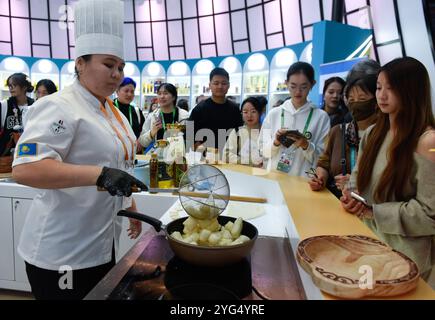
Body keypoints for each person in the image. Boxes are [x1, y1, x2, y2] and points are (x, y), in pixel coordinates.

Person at [11, 0, 147, 300]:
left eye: (121, 67)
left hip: (101, 244)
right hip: (62, 250)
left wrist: (131, 205)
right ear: (80, 64)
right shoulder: (57, 106)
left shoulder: (116, 113)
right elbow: (26, 169)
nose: (116, 74)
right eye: (108, 65)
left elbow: (117, 166)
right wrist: (100, 175)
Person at [340, 57, 435, 280]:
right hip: (365, 243)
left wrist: (374, 212)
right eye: (379, 87)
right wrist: (351, 197)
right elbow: (356, 183)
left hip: (406, 260)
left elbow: (430, 215)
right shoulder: (373, 133)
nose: (381, 96)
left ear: (412, 92)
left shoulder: (427, 142)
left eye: (391, 89)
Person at [309, 60, 380, 198]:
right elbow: (324, 163)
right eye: (351, 99)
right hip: (337, 205)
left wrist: (357, 182)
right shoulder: (338, 131)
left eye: (362, 98)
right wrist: (320, 177)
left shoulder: (385, 135)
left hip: (370, 210)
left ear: (376, 100)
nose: (355, 103)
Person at [259, 62, 330, 176]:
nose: (298, 92)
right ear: (286, 83)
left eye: (304, 87)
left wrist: (306, 145)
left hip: (304, 182)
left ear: (312, 84)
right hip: (274, 179)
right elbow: (263, 151)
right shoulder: (274, 114)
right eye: (293, 86)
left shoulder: (321, 117)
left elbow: (323, 158)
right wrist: (276, 142)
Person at [188, 67, 244, 154]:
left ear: (228, 85)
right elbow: (189, 136)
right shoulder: (199, 109)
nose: (220, 86)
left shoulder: (235, 109)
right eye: (216, 83)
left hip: (229, 159)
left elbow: (239, 135)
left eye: (224, 83)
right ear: (210, 85)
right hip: (205, 160)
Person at [138, 83, 189, 150]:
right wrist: (151, 133)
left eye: (165, 93)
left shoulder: (185, 116)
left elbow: (190, 142)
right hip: (158, 157)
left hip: (178, 156)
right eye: (159, 94)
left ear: (173, 97)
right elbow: (142, 142)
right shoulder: (152, 116)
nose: (162, 96)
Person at [0, 73, 34, 156]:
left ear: (24, 87)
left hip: (30, 152)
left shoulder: (34, 105)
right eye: (9, 86)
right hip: (7, 154)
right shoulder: (4, 105)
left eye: (14, 85)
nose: (11, 88)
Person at [223, 97, 264, 167]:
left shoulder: (267, 132)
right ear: (241, 114)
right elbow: (226, 155)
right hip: (242, 174)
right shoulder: (237, 132)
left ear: (260, 113)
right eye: (245, 112)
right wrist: (248, 161)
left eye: (253, 111)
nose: (249, 115)